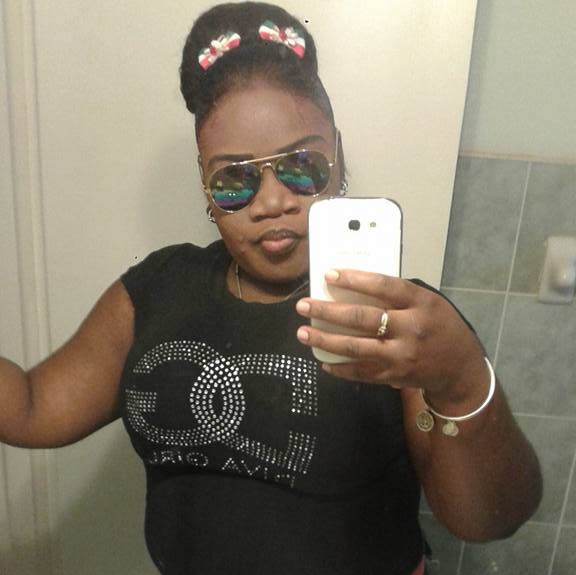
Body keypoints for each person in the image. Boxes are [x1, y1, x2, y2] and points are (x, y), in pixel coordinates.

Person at [0, 2, 542, 574]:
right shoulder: (155, 289)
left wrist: (461, 379)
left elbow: (489, 520)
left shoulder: (399, 319)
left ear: (337, 157)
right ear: (205, 184)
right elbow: (31, 407)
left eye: (302, 166)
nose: (273, 201)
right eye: (234, 179)